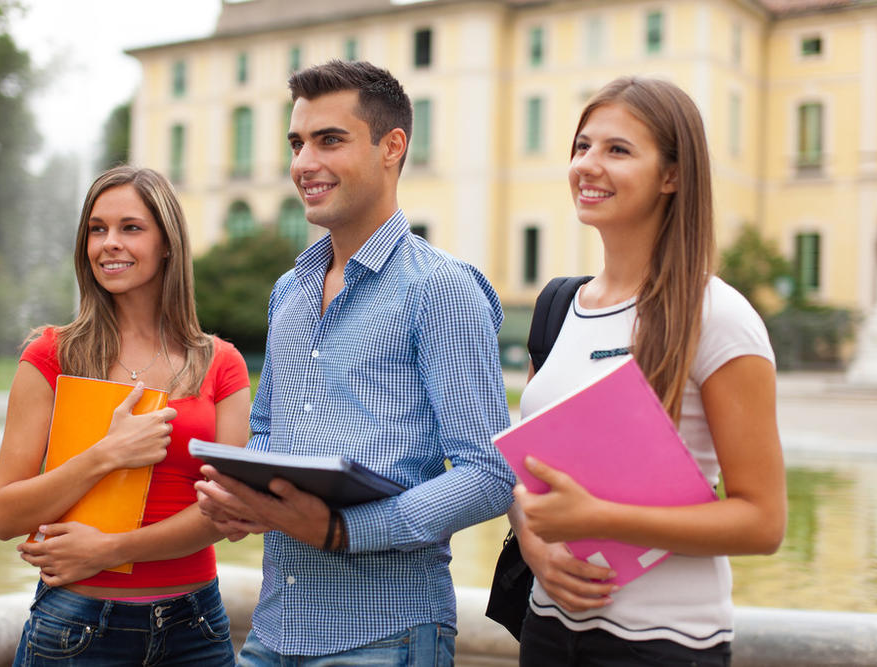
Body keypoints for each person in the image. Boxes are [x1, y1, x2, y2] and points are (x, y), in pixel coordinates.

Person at [194, 59, 515, 665]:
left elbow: (491, 474)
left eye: (329, 140)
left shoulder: (441, 288)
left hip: (384, 638)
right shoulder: (289, 291)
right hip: (272, 633)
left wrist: (342, 531)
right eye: (297, 143)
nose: (303, 164)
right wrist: (241, 495)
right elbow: (268, 431)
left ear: (392, 147)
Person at [509, 77, 787, 666]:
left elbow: (763, 522)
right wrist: (534, 543)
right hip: (546, 631)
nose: (587, 165)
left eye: (617, 150)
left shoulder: (718, 317)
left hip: (662, 644)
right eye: (582, 146)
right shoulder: (559, 306)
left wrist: (598, 519)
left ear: (673, 176)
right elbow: (528, 473)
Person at [0, 165, 251, 666]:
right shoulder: (52, 355)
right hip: (77, 627)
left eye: (130, 227)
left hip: (197, 628)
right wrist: (107, 454)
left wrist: (110, 550)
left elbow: (223, 511)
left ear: (167, 243)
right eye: (97, 228)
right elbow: (6, 516)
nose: (109, 242)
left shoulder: (222, 365)